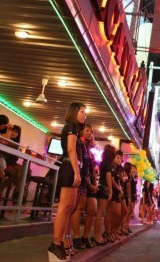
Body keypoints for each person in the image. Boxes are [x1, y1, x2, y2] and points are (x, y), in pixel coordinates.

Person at [48, 102, 85, 261]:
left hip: (71, 168)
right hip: (69, 168)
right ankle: (55, 244)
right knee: (64, 208)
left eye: (85, 112)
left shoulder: (74, 128)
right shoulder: (71, 126)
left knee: (69, 208)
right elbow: (70, 150)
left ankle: (61, 242)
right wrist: (77, 172)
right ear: (74, 112)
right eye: (82, 111)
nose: (84, 114)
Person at [70, 124, 97, 249]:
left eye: (91, 132)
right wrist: (89, 183)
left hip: (88, 183)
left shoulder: (87, 149)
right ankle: (76, 237)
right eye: (87, 131)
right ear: (81, 132)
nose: (89, 134)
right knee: (78, 209)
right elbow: (81, 166)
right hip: (81, 180)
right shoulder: (79, 145)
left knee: (92, 210)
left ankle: (85, 236)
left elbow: (89, 169)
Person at [92, 144, 115, 246]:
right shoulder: (109, 164)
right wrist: (110, 190)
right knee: (100, 214)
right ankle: (97, 235)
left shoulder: (102, 163)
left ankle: (97, 234)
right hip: (105, 188)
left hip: (100, 187)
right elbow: (108, 177)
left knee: (99, 213)